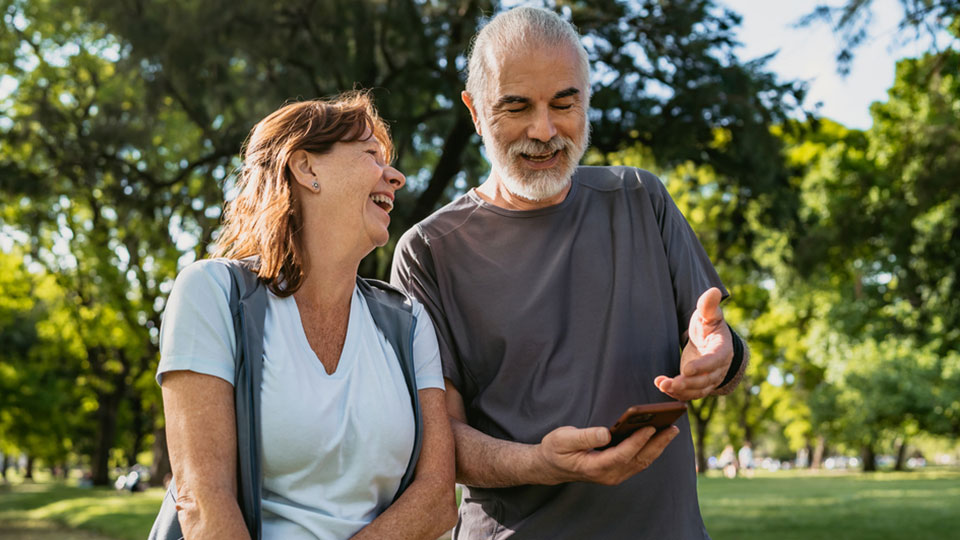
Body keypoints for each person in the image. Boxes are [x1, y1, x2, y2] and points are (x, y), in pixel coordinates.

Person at [390, 7, 748, 539]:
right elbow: (438, 441)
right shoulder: (428, 251)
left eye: (564, 102)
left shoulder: (640, 198)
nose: (544, 130)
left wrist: (721, 357)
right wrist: (544, 462)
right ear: (474, 110)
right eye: (516, 107)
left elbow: (719, 345)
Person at [157, 91, 457, 539]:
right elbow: (202, 498)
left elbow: (436, 501)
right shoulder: (212, 293)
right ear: (306, 168)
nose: (395, 176)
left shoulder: (410, 324)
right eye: (372, 155)